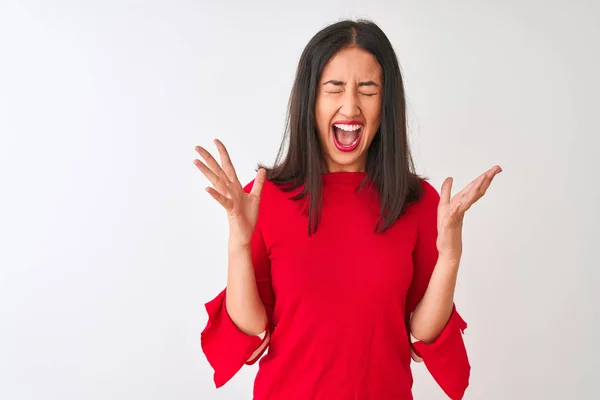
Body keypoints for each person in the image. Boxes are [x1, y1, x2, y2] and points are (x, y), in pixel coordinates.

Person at [193, 19, 501, 400]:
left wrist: (450, 257)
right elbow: (251, 333)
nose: (350, 104)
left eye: (368, 90)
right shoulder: (263, 197)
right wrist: (238, 245)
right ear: (311, 99)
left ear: (386, 104)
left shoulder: (417, 202)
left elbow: (421, 335)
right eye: (334, 88)